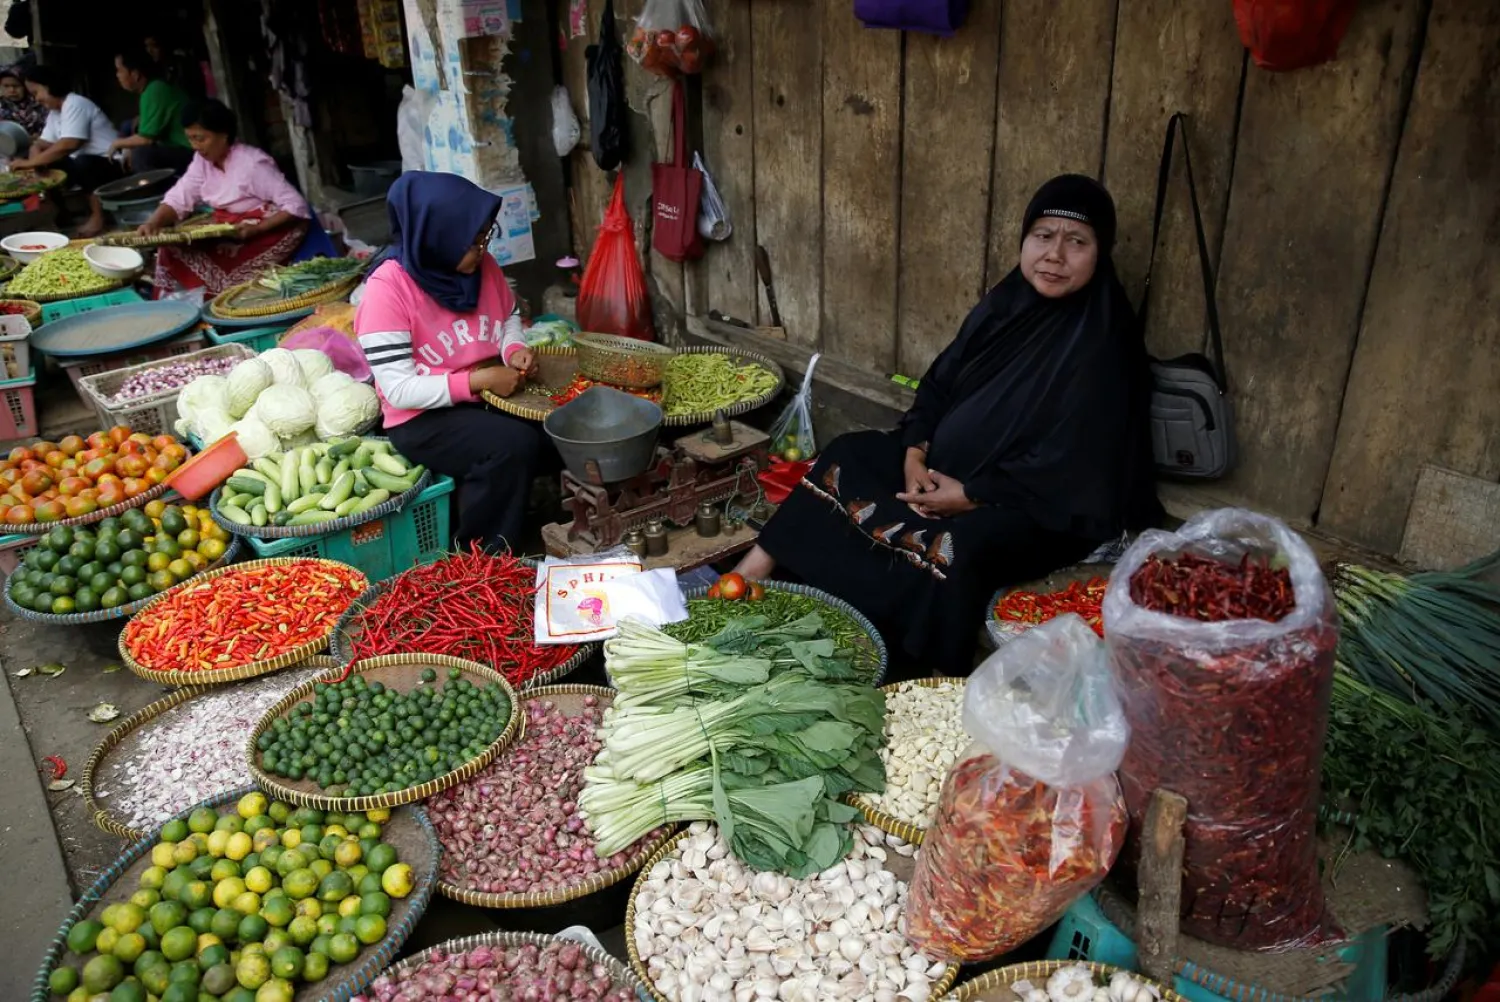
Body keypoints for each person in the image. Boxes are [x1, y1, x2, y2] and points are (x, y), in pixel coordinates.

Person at [738, 174, 1163, 676]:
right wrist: (914, 453)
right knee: (850, 454)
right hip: (941, 466)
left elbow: (1078, 462)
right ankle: (749, 576)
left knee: (961, 546)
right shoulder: (1003, 307)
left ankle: (907, 662)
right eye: (1043, 236)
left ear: (1100, 253)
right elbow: (938, 385)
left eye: (1076, 242)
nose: (1054, 255)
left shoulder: (1105, 342)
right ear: (1025, 241)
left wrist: (975, 494)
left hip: (1034, 502)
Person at [355, 171, 542, 553]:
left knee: (554, 428)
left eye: (485, 238)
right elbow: (399, 389)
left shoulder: (481, 267)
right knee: (510, 445)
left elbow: (506, 316)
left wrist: (512, 350)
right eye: (471, 243)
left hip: (484, 394)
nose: (481, 251)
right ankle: (482, 559)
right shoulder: (387, 289)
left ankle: (530, 516)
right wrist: (478, 381)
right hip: (421, 415)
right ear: (434, 237)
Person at [137, 99, 310, 297]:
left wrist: (257, 229)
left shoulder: (252, 164)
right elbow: (179, 197)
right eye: (190, 139)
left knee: (227, 273)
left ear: (224, 135)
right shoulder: (202, 162)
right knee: (171, 248)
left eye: (200, 138)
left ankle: (220, 306)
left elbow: (295, 205)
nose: (195, 146)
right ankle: (181, 305)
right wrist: (153, 222)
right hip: (234, 227)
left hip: (270, 228)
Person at [10, 64, 119, 237]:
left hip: (111, 162)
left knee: (83, 163)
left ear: (48, 86)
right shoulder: (55, 113)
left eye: (36, 92)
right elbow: (43, 143)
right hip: (84, 163)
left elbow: (70, 143)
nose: (36, 99)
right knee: (47, 161)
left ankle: (99, 217)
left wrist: (30, 162)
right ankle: (61, 211)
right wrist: (35, 154)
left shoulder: (75, 103)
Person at [108, 47, 193, 174]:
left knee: (142, 155)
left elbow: (146, 139)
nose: (117, 75)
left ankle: (161, 192)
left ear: (135, 74)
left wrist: (117, 144)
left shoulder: (155, 90)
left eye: (120, 70)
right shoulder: (151, 89)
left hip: (191, 151)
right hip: (177, 149)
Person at [0, 67, 46, 137]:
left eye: (16, 86)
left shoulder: (39, 103)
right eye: (6, 86)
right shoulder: (1, 107)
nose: (12, 90)